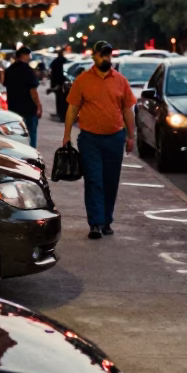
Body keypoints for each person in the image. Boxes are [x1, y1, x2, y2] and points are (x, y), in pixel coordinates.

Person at [62, 40, 136, 240]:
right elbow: (72, 109)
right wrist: (67, 134)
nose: (106, 58)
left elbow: (128, 110)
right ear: (94, 56)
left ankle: (106, 221)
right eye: (102, 55)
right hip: (90, 140)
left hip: (115, 138)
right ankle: (95, 223)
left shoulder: (120, 81)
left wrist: (131, 135)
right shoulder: (82, 80)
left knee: (110, 181)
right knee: (94, 180)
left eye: (108, 55)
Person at [4, 46, 42, 145]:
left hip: (13, 108)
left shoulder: (9, 70)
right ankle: (31, 155)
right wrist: (38, 106)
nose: (30, 57)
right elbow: (33, 91)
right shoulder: (29, 71)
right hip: (28, 108)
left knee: (15, 134)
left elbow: (5, 84)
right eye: (29, 55)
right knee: (31, 134)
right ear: (24, 55)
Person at [49, 49, 67, 120]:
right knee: (62, 100)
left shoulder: (56, 61)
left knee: (58, 100)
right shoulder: (63, 61)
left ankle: (59, 113)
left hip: (56, 83)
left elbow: (52, 72)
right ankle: (62, 115)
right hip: (61, 83)